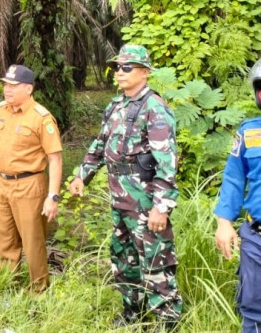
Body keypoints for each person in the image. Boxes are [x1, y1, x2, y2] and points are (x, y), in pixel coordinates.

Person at [69, 44, 182, 330]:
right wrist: (82, 175)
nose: (119, 72)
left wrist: (161, 207)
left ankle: (167, 322)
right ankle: (133, 313)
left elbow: (166, 162)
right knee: (124, 258)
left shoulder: (154, 108)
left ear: (144, 72)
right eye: (117, 67)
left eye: (127, 67)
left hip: (145, 201)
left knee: (155, 260)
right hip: (119, 199)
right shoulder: (115, 105)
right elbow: (99, 143)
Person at [0, 64, 62, 291]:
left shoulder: (41, 118)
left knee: (33, 241)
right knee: (5, 239)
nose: (8, 89)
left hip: (29, 185)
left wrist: (52, 196)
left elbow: (55, 159)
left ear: (28, 89)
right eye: (6, 84)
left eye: (13, 86)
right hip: (2, 184)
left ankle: (39, 291)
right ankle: (8, 287)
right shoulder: (3, 111)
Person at [214, 57, 261, 333]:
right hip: (256, 239)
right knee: (253, 310)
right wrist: (224, 222)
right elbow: (233, 178)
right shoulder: (249, 133)